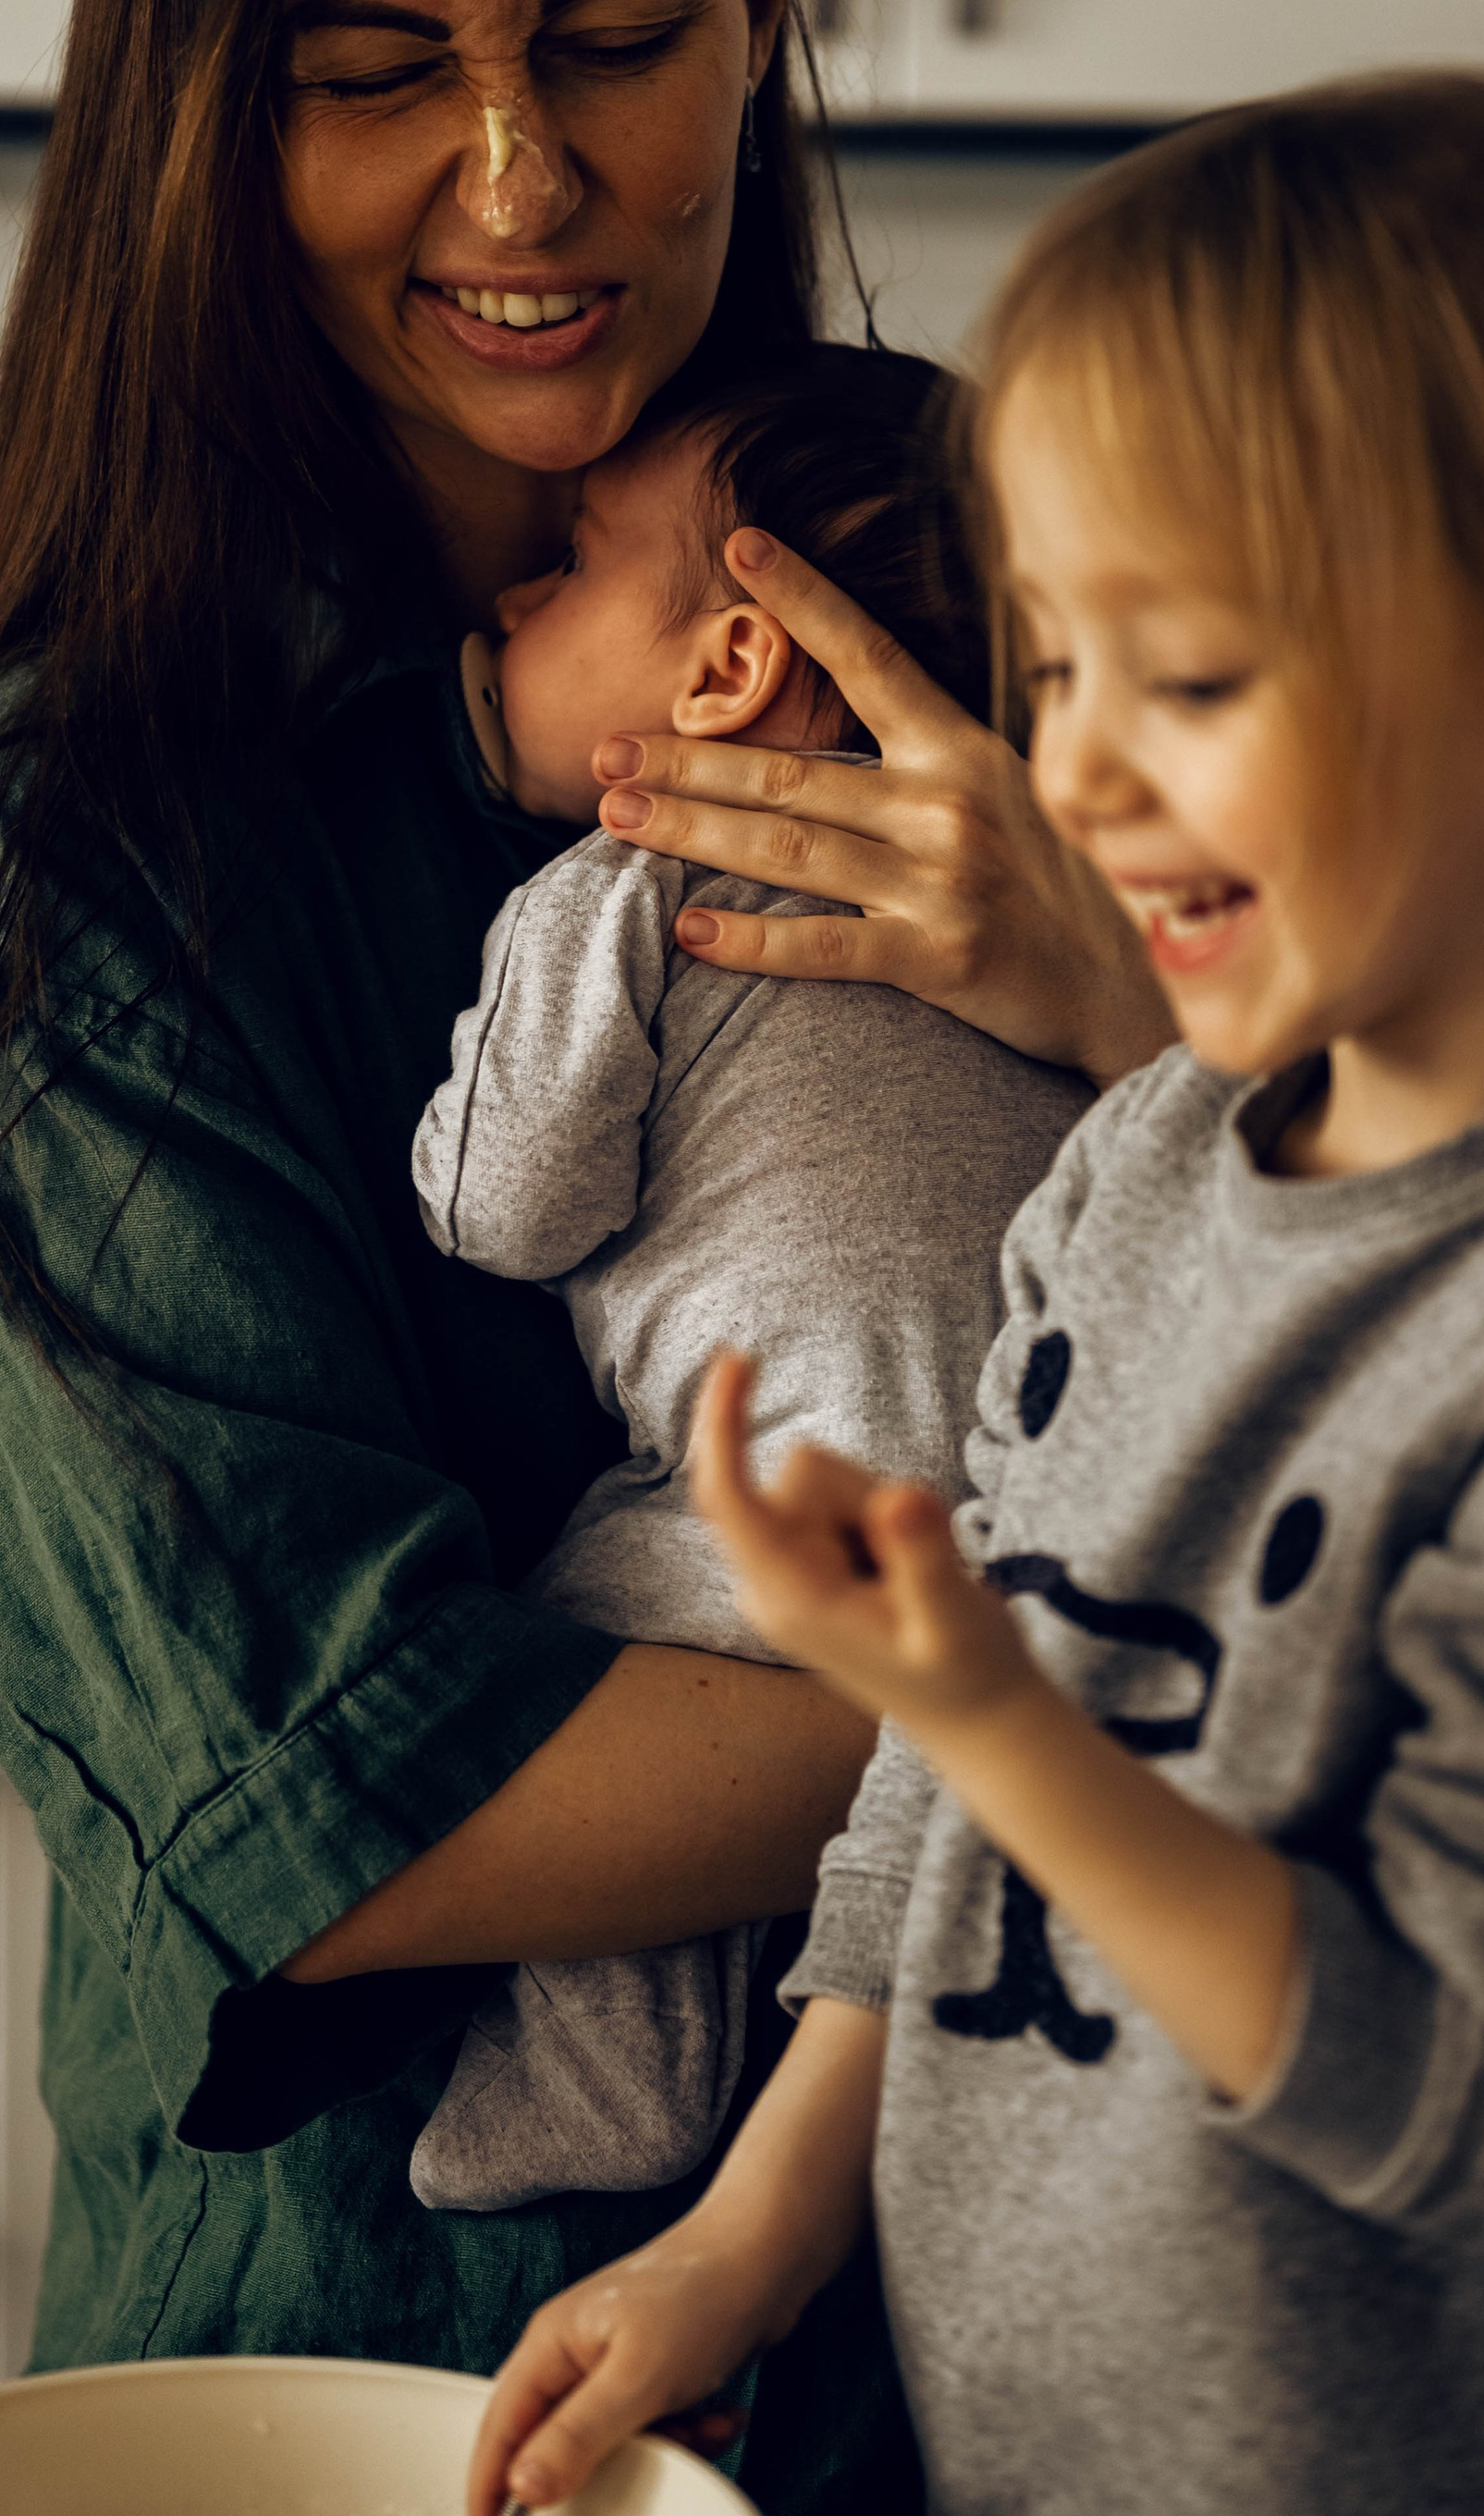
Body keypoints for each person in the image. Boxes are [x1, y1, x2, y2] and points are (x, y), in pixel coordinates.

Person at [0, 0, 1171, 2516]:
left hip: (1045, 2422)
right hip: (409, 2438)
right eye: (365, 77)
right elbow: (370, 1807)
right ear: (200, 101)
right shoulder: (98, 846)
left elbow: (1468, 1284)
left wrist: (1126, 1027)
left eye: (612, 30)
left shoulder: (1042, 624)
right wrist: (1126, 1680)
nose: (524, 184)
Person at [469, 73, 1484, 2516]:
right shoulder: (1140, 1170)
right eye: (1065, 654)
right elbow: (960, 1785)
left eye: (1194, 672)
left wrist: (991, 1718)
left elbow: (1475, 2100)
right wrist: (742, 2244)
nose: (1077, 770)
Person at [409, 345, 1086, 2215]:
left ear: (724, 671)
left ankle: (587, 2108)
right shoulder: (1013, 887)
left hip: (772, 1502)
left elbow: (506, 1202)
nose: (516, 595)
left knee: (583, 1646)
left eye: (571, 558)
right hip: (1037, 1502)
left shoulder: (611, 887)